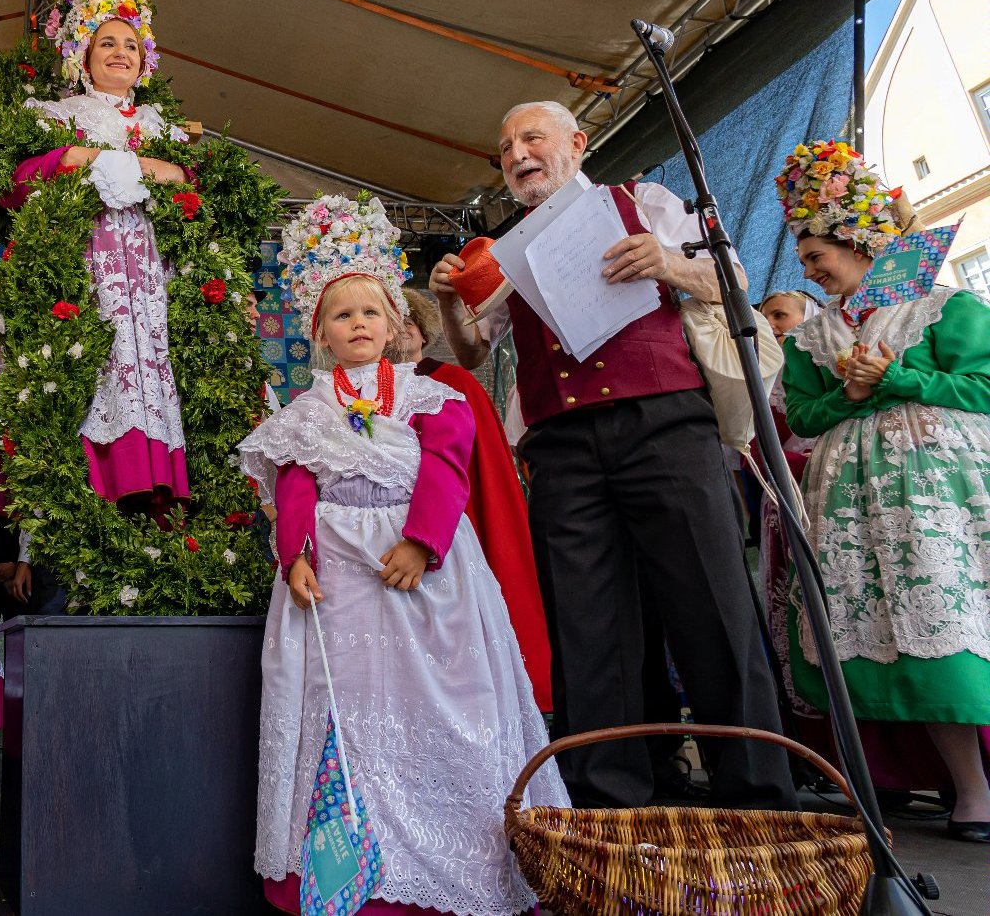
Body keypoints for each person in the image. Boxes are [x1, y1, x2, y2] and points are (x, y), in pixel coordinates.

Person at [428, 101, 793, 809]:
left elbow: (733, 281)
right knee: (587, 622)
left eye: (530, 137)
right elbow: (475, 350)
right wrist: (448, 305)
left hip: (664, 425)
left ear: (576, 142)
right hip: (561, 446)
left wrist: (668, 263)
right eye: (504, 147)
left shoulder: (644, 201)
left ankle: (758, 797)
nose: (516, 153)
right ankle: (608, 802)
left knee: (709, 604)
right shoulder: (507, 250)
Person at [243, 194, 566, 915]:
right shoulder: (304, 411)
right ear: (319, 335)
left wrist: (422, 541)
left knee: (440, 702)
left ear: (396, 326)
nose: (357, 324)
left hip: (420, 573)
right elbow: (295, 483)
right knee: (347, 703)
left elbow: (448, 471)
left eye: (370, 313)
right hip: (336, 578)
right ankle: (342, 866)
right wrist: (294, 555)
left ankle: (462, 853)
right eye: (341, 315)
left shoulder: (430, 399)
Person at [776, 141, 990, 843]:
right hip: (853, 501)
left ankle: (971, 789)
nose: (809, 272)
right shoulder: (814, 334)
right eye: (805, 261)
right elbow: (802, 415)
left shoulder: (941, 305)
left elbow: (982, 387)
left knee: (950, 625)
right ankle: (934, 783)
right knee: (888, 636)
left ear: (857, 239)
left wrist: (897, 380)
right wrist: (851, 391)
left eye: (816, 257)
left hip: (941, 495)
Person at [1, 0, 193, 507]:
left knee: (151, 351)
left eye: (130, 45)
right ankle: (101, 476)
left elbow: (197, 193)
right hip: (93, 256)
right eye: (106, 42)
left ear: (144, 60)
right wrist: (75, 157)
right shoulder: (58, 115)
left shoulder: (165, 129)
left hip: (153, 264)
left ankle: (156, 482)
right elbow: (16, 181)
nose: (119, 52)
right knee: (101, 355)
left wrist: (164, 170)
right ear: (83, 56)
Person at [398, 287, 551, 710]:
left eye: (411, 321)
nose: (404, 329)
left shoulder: (452, 383)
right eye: (397, 320)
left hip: (448, 528)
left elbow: (481, 476)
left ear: (424, 333)